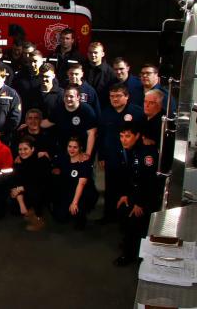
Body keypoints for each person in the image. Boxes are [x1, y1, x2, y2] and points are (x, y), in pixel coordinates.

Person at [114, 124, 162, 266]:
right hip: (135, 194)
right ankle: (129, 245)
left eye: (128, 136)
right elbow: (131, 177)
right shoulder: (131, 151)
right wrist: (125, 195)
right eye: (122, 136)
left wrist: (139, 203)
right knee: (123, 214)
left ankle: (130, 255)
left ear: (137, 136)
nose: (124, 140)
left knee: (134, 223)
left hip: (147, 199)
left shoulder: (146, 154)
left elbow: (149, 181)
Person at [97, 84, 144, 224]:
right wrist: (102, 156)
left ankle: (126, 216)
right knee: (110, 187)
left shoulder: (137, 112)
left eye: (118, 96)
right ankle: (108, 215)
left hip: (130, 157)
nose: (115, 99)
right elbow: (101, 136)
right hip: (111, 156)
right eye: (112, 96)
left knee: (128, 185)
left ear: (127, 96)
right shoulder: (106, 113)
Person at [50, 137, 97, 229]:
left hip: (83, 192)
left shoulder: (84, 162)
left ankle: (81, 214)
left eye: (75, 147)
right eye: (69, 146)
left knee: (78, 214)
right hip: (69, 191)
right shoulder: (63, 158)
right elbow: (53, 167)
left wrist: (74, 203)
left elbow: (81, 184)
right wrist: (55, 170)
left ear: (80, 148)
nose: (71, 149)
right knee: (60, 218)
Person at [45, 86, 98, 160]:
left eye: (71, 96)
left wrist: (87, 154)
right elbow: (49, 122)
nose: (68, 99)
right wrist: (30, 124)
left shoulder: (86, 110)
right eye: (66, 96)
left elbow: (92, 133)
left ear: (78, 97)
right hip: (64, 149)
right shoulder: (59, 109)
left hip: (81, 149)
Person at [10, 136, 51, 231]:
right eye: (20, 149)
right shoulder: (18, 162)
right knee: (14, 206)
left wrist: (20, 189)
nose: (22, 152)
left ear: (32, 149)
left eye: (25, 149)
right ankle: (28, 210)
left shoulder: (42, 160)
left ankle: (38, 217)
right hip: (26, 190)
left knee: (35, 193)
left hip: (41, 190)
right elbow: (15, 183)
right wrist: (21, 205)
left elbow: (40, 183)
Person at [84, 42, 118, 109]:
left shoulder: (110, 73)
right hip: (84, 109)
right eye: (90, 52)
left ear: (102, 54)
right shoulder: (82, 70)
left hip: (103, 109)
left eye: (95, 52)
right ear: (87, 54)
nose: (93, 55)